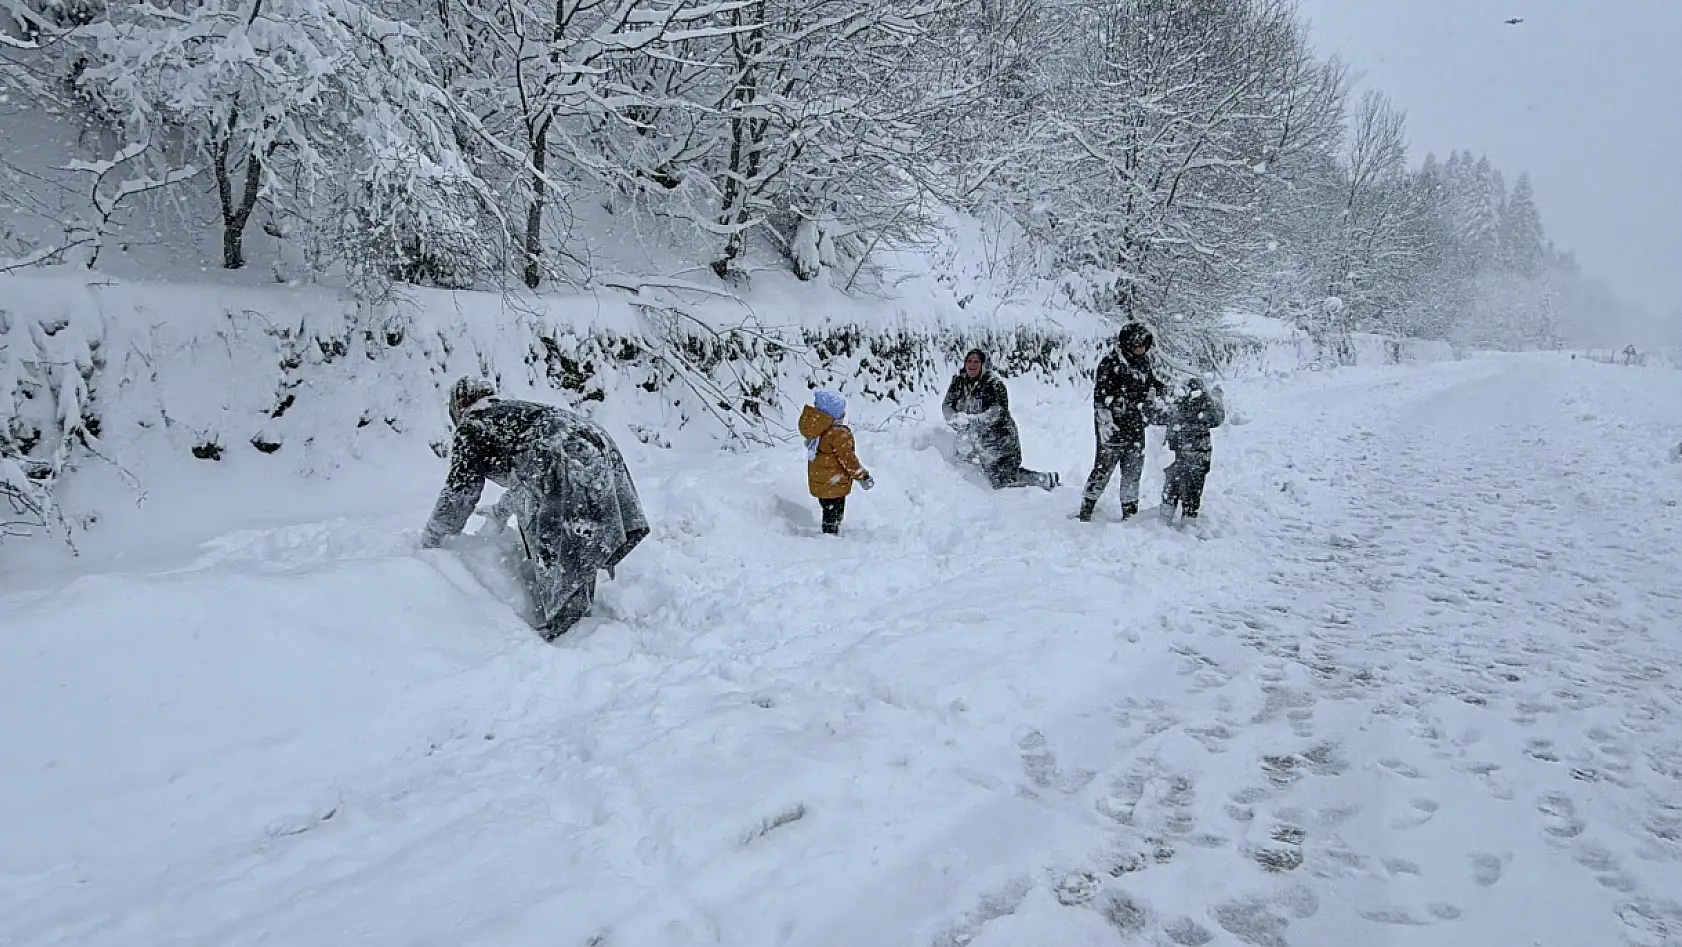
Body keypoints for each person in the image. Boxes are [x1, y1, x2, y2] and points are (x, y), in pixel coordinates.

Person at [420, 377, 650, 641]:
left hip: (559, 454)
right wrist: (502, 510)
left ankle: (569, 632)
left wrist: (432, 541)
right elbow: (529, 474)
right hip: (595, 440)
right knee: (579, 531)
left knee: (557, 541)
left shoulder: (473, 424)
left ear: (460, 406)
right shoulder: (517, 413)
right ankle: (580, 618)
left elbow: (459, 493)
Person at [1079, 322, 1168, 522]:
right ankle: (1086, 509)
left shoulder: (1143, 362)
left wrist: (1167, 391)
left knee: (1133, 472)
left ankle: (1130, 513)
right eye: (1138, 344)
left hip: (1136, 427)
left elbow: (1152, 383)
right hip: (1113, 428)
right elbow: (1101, 398)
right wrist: (1108, 420)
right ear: (1127, 343)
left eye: (1145, 345)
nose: (1142, 349)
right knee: (1103, 470)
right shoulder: (1111, 364)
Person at [940, 348, 1060, 492]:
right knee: (984, 477)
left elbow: (997, 412)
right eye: (969, 361)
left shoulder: (994, 384)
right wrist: (955, 419)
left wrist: (971, 421)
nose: (972, 364)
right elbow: (947, 404)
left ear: (983, 365)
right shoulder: (959, 381)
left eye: (976, 361)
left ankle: (1045, 479)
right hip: (979, 441)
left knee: (1001, 480)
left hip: (1002, 441)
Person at [800, 389, 873, 535]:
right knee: (833, 515)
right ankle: (831, 541)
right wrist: (862, 476)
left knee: (828, 510)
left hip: (821, 482)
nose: (844, 413)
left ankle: (829, 532)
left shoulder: (818, 430)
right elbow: (848, 460)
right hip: (834, 485)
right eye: (841, 411)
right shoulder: (838, 434)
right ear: (834, 414)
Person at [1160, 376, 1226, 521]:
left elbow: (1157, 415)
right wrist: (1217, 398)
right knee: (1190, 489)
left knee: (1175, 486)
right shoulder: (1206, 406)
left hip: (1187, 454)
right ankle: (1186, 519)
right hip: (1196, 454)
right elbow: (1218, 418)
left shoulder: (1179, 405)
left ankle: (1169, 517)